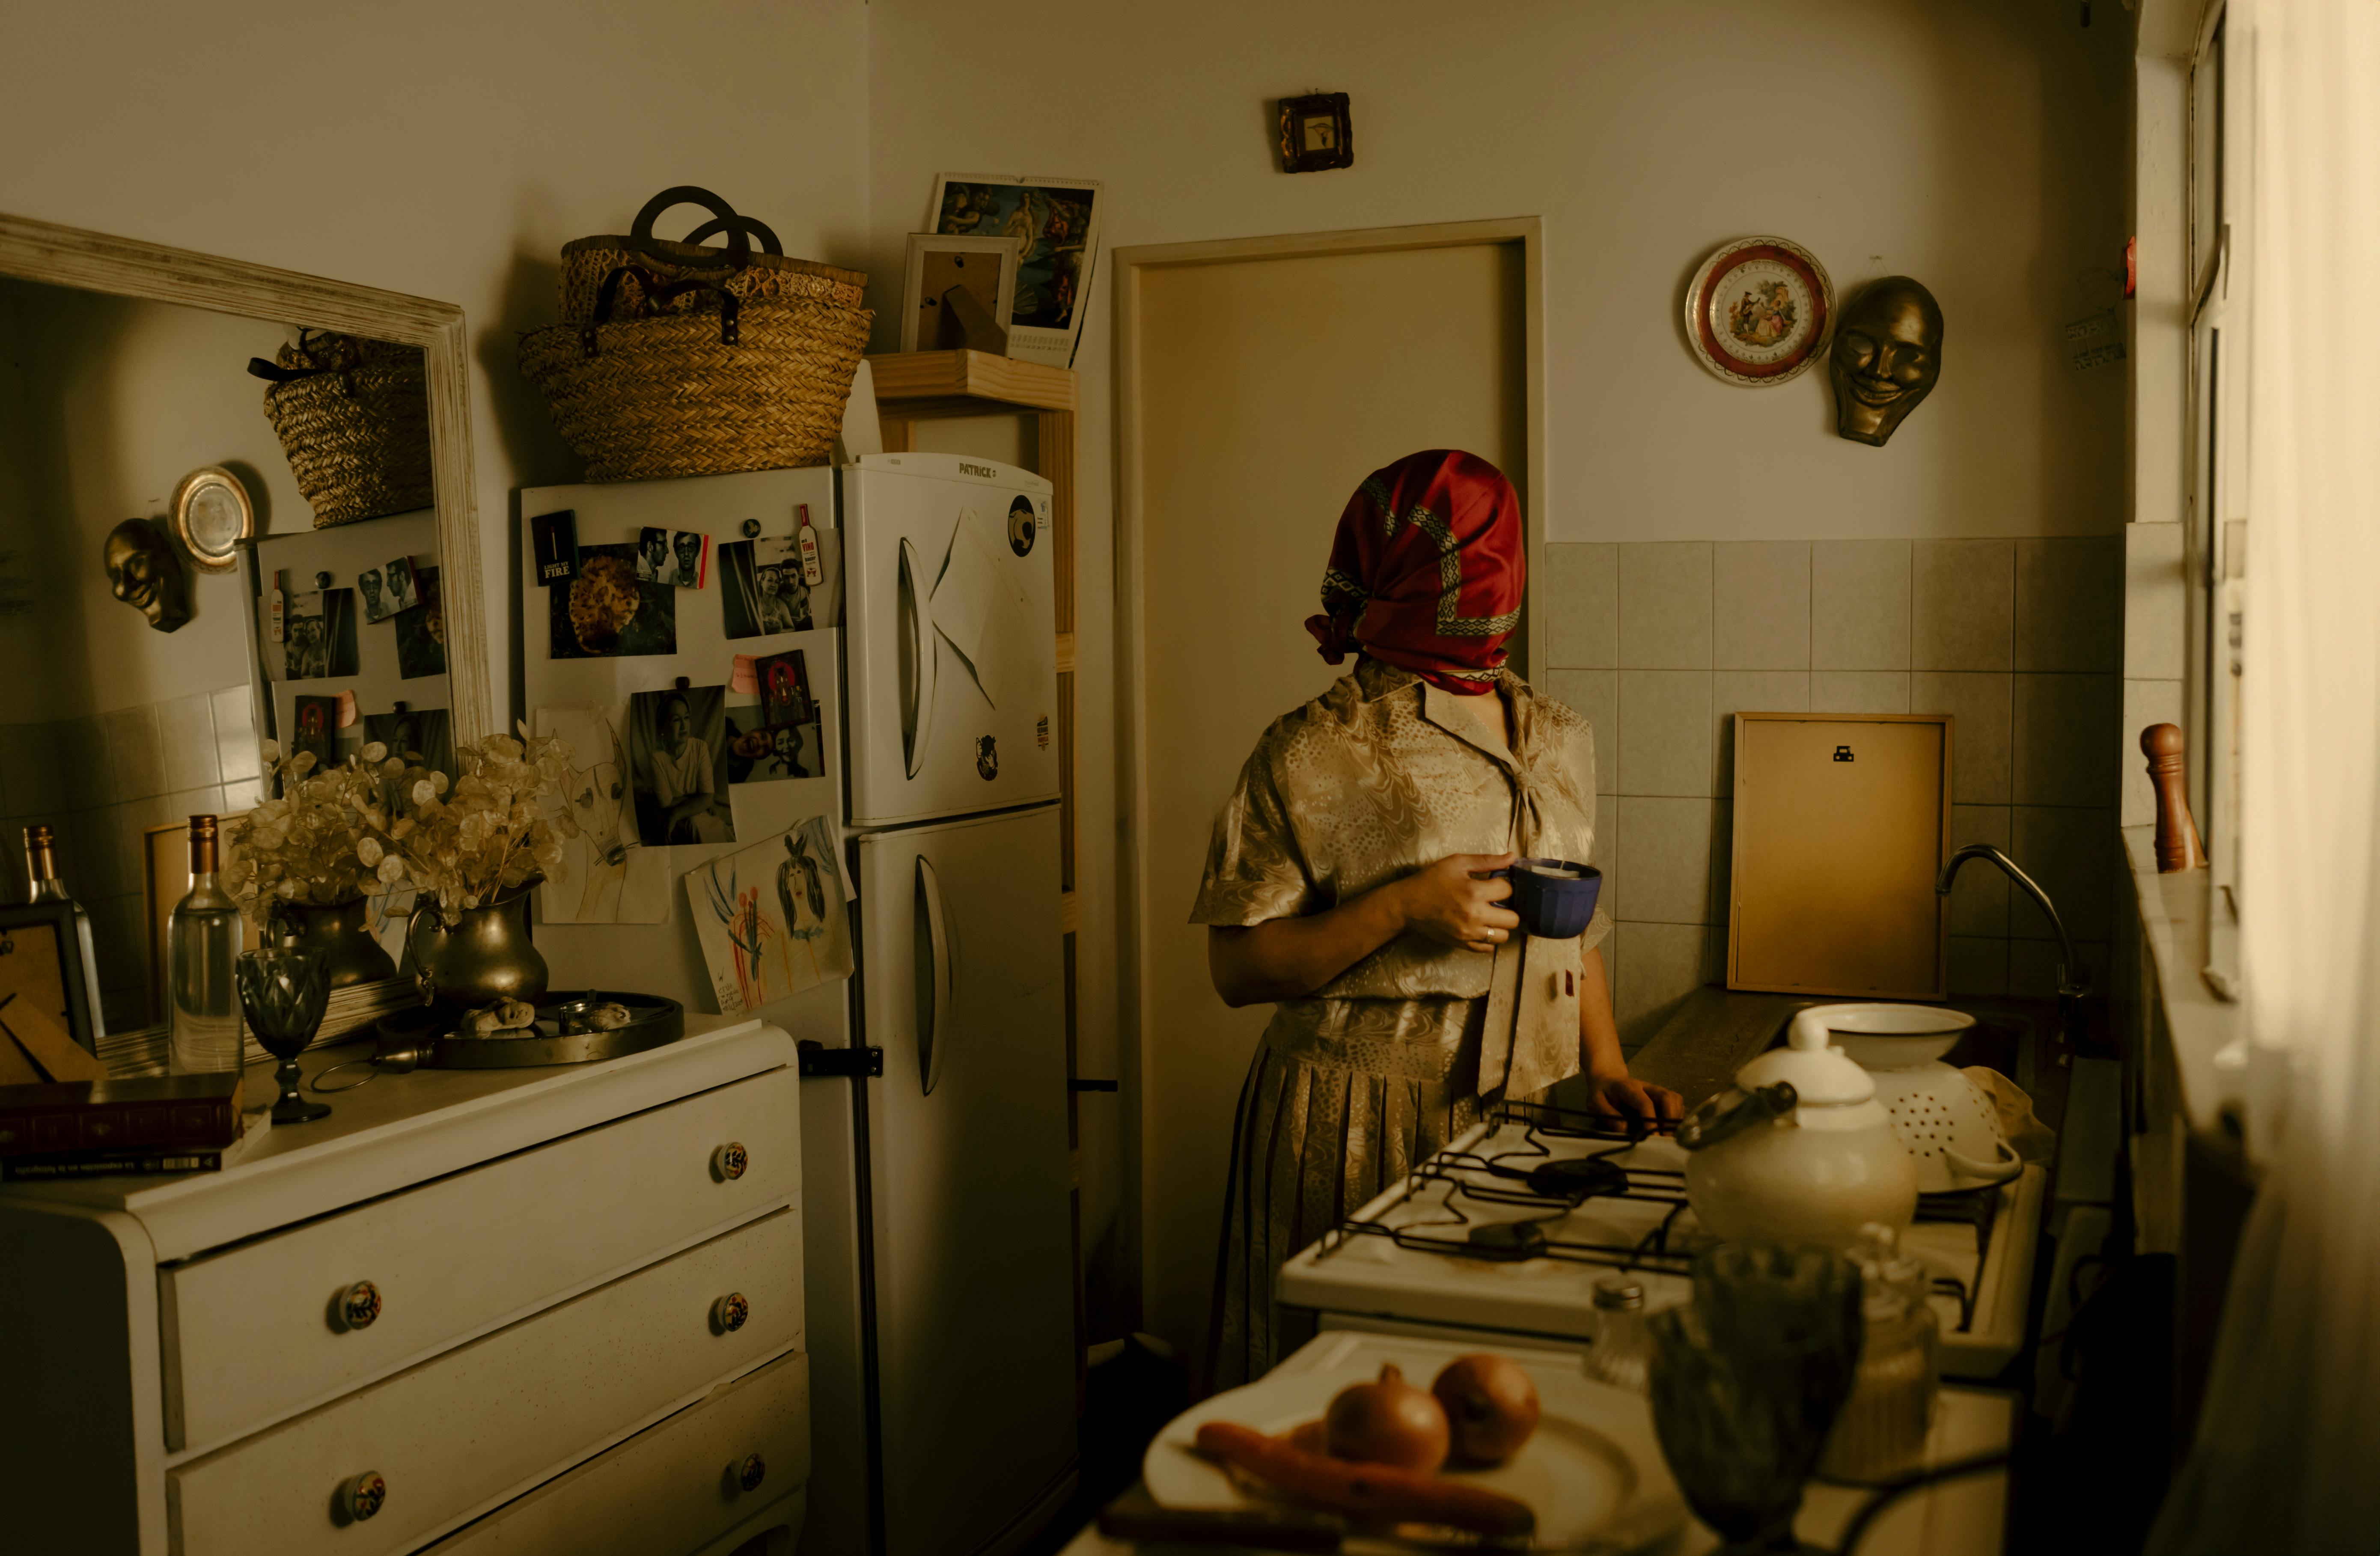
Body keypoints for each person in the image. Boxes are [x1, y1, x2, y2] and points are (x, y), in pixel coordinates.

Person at [1194, 449, 1683, 1391]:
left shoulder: (1559, 732)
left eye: (1499, 546)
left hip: (1519, 1112)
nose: (1490, 579)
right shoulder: (1314, 746)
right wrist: (1405, 904)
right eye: (1468, 552)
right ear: (1404, 568)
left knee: (1489, 1393)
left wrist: (1609, 1069)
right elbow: (1238, 969)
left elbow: (1572, 928)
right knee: (1345, 1397)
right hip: (1348, 1116)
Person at [644, 691, 725, 844]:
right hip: (672, 814)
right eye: (676, 720)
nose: (683, 726)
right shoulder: (657, 757)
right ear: (662, 728)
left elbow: (707, 798)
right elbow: (666, 803)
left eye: (686, 718)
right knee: (694, 827)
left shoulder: (700, 748)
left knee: (711, 827)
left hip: (683, 812)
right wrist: (699, 799)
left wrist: (677, 812)